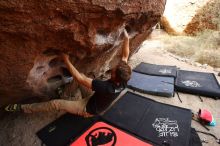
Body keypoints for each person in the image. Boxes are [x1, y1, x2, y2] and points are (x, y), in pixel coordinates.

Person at [5, 29, 131, 116]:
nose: (112, 68)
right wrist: (127, 38)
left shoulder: (105, 87)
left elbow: (80, 80)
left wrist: (66, 60)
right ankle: (65, 93)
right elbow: (125, 56)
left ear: (115, 78)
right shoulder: (124, 80)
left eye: (113, 71)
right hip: (96, 98)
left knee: (56, 104)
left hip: (87, 108)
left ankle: (22, 108)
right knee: (83, 76)